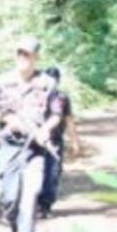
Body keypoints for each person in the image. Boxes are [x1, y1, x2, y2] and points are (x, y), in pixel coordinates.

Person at [0, 36, 58, 232]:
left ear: (36, 57)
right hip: (9, 145)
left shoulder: (48, 83)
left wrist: (45, 129)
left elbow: (56, 113)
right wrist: (11, 121)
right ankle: (14, 227)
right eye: (20, 53)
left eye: (27, 54)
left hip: (35, 150)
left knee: (30, 195)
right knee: (8, 197)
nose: (23, 58)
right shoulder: (2, 81)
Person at [36, 66, 82, 218]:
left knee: (52, 173)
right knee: (39, 173)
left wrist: (75, 142)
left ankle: (45, 205)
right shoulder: (33, 95)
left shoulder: (61, 98)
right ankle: (35, 204)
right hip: (35, 141)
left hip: (54, 140)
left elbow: (68, 120)